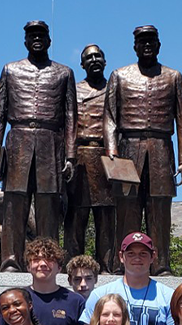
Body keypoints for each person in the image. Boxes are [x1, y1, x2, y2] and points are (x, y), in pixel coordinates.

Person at [0, 20, 77, 270]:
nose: (36, 39)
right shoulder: (10, 70)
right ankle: (11, 259)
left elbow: (71, 117)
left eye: (41, 35)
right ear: (25, 41)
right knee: (14, 204)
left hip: (51, 142)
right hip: (18, 140)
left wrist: (71, 155)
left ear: (49, 40)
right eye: (31, 35)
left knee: (49, 205)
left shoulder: (64, 73)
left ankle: (48, 259)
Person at [105, 24, 182, 275]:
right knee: (127, 210)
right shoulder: (119, 75)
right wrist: (112, 152)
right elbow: (109, 118)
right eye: (141, 41)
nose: (146, 45)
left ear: (159, 45)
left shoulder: (173, 76)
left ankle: (161, 264)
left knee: (160, 211)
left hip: (162, 148)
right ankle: (124, 262)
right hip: (127, 148)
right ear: (134, 47)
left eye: (151, 41)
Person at [66, 44, 117, 271]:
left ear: (105, 61)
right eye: (89, 57)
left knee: (106, 218)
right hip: (79, 156)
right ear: (82, 64)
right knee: (76, 215)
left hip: (107, 156)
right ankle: (72, 265)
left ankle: (106, 266)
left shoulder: (116, 89)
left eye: (98, 56)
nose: (94, 60)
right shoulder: (73, 91)